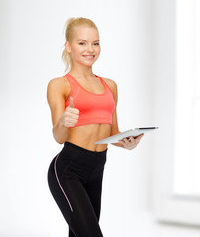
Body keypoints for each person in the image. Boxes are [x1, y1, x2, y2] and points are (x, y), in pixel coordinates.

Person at [47, 17, 144, 237]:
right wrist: (63, 121)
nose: (90, 49)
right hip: (68, 170)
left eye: (95, 43)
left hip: (97, 168)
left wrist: (127, 142)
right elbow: (58, 136)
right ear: (68, 46)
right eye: (82, 43)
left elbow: (112, 133)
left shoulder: (109, 85)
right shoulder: (59, 85)